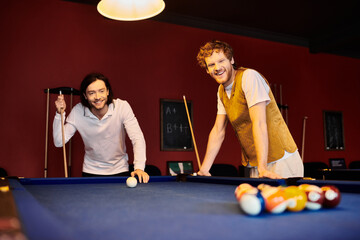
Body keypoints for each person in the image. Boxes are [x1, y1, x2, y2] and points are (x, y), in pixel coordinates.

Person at [196, 40, 303, 179]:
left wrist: (262, 168)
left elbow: (259, 123)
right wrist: (204, 169)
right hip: (257, 164)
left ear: (231, 60)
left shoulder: (249, 77)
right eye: (211, 64)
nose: (217, 67)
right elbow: (218, 131)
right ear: (207, 70)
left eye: (221, 61)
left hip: (281, 161)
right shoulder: (221, 91)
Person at [53, 73, 149, 183]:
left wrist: (139, 168)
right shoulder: (78, 111)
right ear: (85, 95)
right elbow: (58, 141)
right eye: (91, 93)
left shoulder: (122, 107)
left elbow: (137, 138)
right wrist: (59, 114)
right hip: (90, 172)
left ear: (108, 91)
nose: (97, 97)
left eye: (101, 91)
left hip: (120, 170)